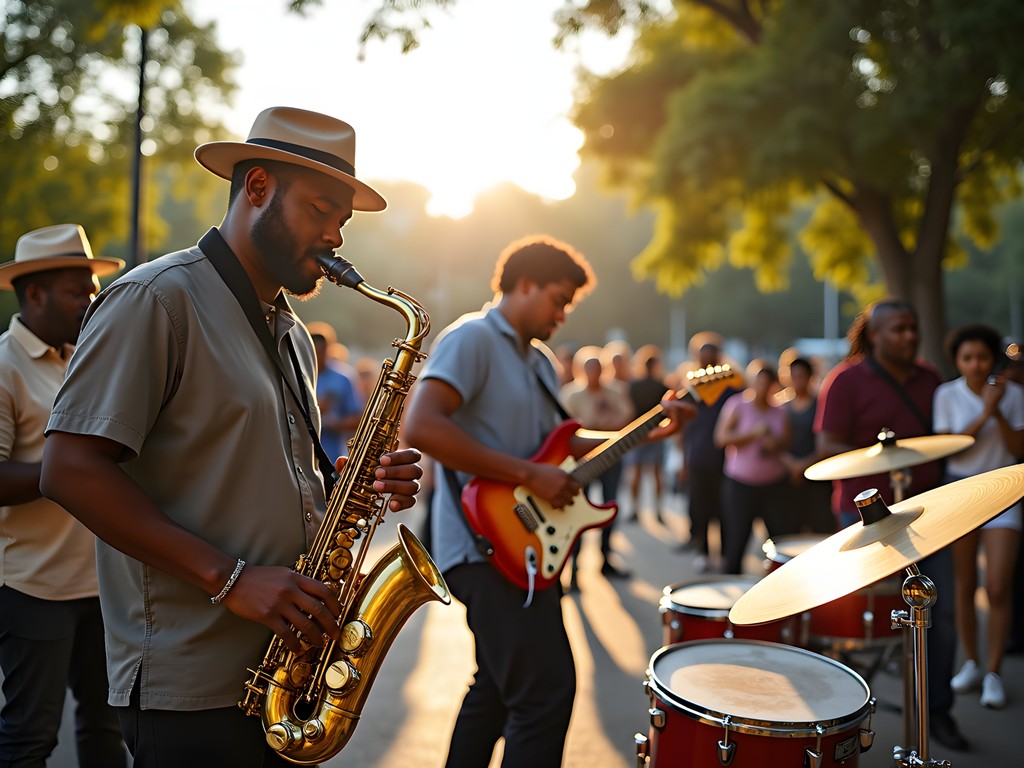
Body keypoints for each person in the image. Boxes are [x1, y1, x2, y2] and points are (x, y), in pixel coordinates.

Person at [38, 106, 423, 767]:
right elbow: (68, 469)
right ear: (258, 187)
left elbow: (258, 470)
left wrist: (357, 486)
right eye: (321, 210)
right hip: (189, 686)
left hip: (282, 678)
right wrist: (232, 579)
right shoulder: (155, 300)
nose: (335, 234)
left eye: (344, 221)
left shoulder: (292, 331)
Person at [402, 235, 692, 768]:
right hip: (481, 546)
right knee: (546, 693)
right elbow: (420, 426)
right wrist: (527, 474)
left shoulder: (535, 360)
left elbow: (563, 443)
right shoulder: (471, 338)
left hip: (526, 550)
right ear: (524, 284)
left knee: (494, 689)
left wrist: (648, 431)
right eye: (558, 299)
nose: (562, 314)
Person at [0, 224, 127, 767]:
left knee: (107, 731)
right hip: (34, 587)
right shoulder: (4, 365)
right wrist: (75, 468)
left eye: (92, 289)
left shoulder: (88, 355)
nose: (91, 301)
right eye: (79, 290)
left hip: (102, 585)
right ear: (34, 294)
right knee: (31, 738)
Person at [815, 298, 966, 751]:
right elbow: (827, 446)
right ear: (875, 334)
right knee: (865, 620)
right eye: (899, 329)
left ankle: (937, 710)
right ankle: (847, 710)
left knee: (943, 611)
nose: (909, 336)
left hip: (929, 514)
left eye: (913, 328)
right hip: (865, 519)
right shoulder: (845, 380)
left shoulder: (930, 379)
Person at [934, 324, 1024, 709]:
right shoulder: (946, 394)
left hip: (1006, 491)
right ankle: (970, 662)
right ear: (957, 360)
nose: (974, 365)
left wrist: (999, 410)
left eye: (982, 357)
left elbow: (1017, 448)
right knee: (964, 585)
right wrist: (986, 410)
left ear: (993, 360)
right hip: (961, 493)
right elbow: (952, 449)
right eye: (966, 358)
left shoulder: (1015, 395)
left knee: (999, 587)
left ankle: (993, 671)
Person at [560, 345, 635, 587]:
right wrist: (593, 425)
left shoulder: (614, 392)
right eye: (589, 369)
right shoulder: (571, 394)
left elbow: (627, 417)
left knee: (610, 507)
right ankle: (574, 568)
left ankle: (605, 557)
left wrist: (608, 419)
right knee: (577, 513)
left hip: (611, 458)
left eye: (597, 369)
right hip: (582, 462)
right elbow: (566, 427)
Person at [714, 359, 793, 574]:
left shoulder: (780, 411)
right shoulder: (737, 405)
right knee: (737, 539)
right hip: (741, 485)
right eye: (759, 382)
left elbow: (786, 443)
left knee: (780, 540)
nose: (763, 388)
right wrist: (752, 434)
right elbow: (721, 438)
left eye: (768, 384)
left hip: (773, 485)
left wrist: (773, 444)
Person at [678, 333, 740, 571]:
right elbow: (685, 427)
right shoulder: (691, 388)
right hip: (698, 458)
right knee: (700, 508)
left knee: (724, 509)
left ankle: (725, 553)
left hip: (724, 459)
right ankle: (703, 551)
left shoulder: (731, 387)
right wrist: (684, 460)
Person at [777, 355, 835, 534]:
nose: (797, 381)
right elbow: (777, 442)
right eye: (793, 376)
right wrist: (791, 465)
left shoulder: (820, 405)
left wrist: (803, 465)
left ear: (810, 377)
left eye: (801, 376)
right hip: (788, 478)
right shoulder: (781, 406)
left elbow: (824, 443)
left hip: (816, 476)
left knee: (820, 528)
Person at [624, 344, 669, 524]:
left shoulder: (634, 385)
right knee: (655, 473)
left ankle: (636, 509)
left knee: (637, 473)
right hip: (654, 433)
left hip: (638, 434)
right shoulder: (661, 385)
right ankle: (656, 509)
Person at [307, 320, 363, 459]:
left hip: (332, 456)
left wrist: (332, 423)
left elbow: (358, 418)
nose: (318, 356)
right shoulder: (295, 374)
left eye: (321, 350)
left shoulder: (344, 377)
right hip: (301, 457)